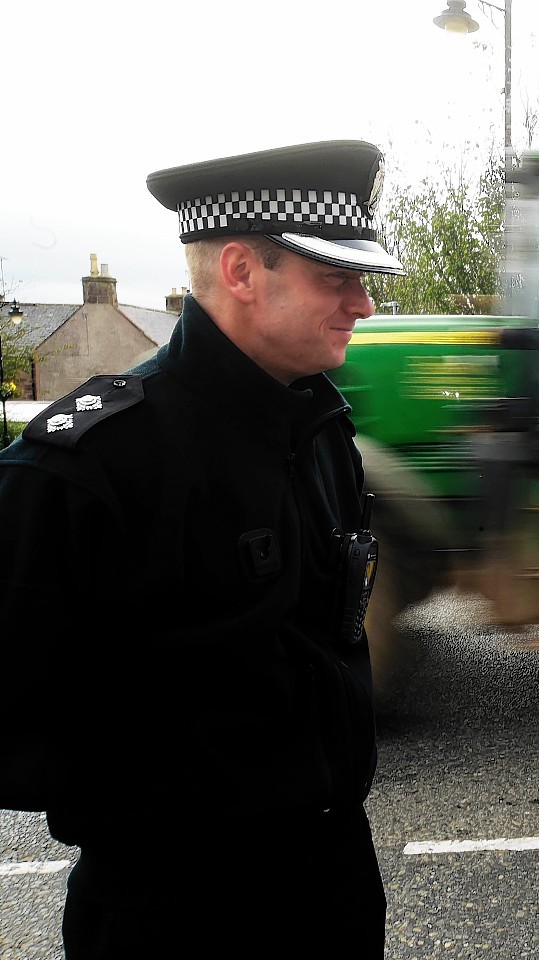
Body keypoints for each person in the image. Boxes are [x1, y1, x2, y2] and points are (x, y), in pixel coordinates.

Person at [0, 140, 406, 958]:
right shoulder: (93, 462)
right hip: (177, 909)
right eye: (339, 277)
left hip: (331, 884)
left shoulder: (321, 427)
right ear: (241, 272)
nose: (363, 304)